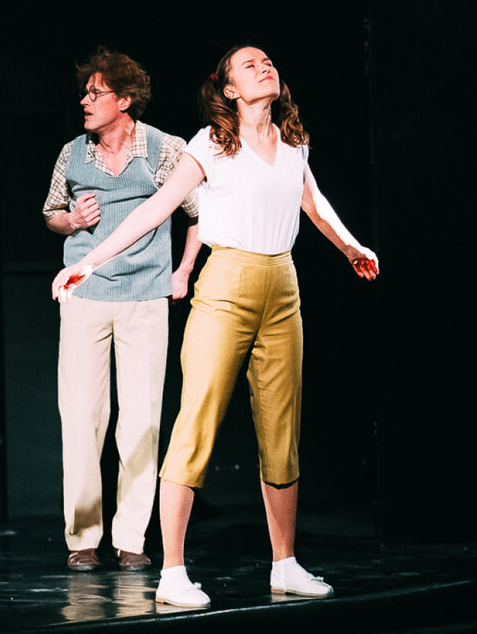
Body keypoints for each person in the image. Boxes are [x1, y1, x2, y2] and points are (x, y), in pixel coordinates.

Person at [51, 45, 379, 605]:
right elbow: (154, 210)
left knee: (282, 431)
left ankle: (285, 563)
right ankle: (172, 572)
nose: (265, 67)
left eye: (269, 61)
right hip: (226, 285)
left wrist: (351, 246)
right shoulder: (209, 144)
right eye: (250, 65)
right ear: (229, 88)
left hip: (283, 287)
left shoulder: (293, 142)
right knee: (196, 424)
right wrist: (90, 261)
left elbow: (314, 202)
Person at [43, 48, 202, 572]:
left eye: (96, 93)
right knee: (81, 418)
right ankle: (83, 537)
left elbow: (198, 213)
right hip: (85, 296)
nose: (84, 101)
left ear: (125, 99)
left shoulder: (164, 149)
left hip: (144, 297)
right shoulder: (73, 153)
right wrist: (71, 221)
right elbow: (51, 213)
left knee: (140, 419)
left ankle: (131, 537)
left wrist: (183, 271)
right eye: (84, 93)